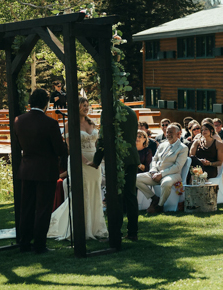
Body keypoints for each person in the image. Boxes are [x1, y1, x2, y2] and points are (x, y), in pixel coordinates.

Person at [14, 89, 66, 254]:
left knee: (26, 208)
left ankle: (24, 243)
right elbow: (59, 149)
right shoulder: (50, 123)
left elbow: (18, 144)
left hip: (27, 169)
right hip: (46, 170)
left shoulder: (19, 120)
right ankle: (39, 245)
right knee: (43, 208)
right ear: (46, 103)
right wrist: (66, 146)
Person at [48, 97, 108, 240]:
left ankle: (95, 227)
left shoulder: (92, 123)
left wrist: (97, 161)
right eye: (83, 105)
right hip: (79, 162)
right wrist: (86, 161)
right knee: (82, 193)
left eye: (87, 105)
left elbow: (98, 143)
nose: (86, 108)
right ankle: (80, 227)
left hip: (95, 164)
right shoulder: (70, 124)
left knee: (94, 192)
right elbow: (72, 147)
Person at [136, 124, 189, 214]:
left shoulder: (183, 148)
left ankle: (159, 206)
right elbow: (154, 159)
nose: (168, 134)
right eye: (167, 132)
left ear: (178, 134)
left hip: (172, 175)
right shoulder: (162, 145)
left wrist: (161, 174)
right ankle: (154, 198)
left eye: (171, 132)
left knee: (166, 183)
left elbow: (177, 166)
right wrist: (153, 171)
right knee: (136, 178)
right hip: (156, 173)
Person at [114, 102, 140, 242]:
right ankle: (133, 232)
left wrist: (97, 160)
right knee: (130, 195)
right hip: (132, 156)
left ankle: (116, 231)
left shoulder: (110, 111)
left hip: (119, 158)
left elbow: (104, 137)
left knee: (116, 196)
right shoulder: (131, 111)